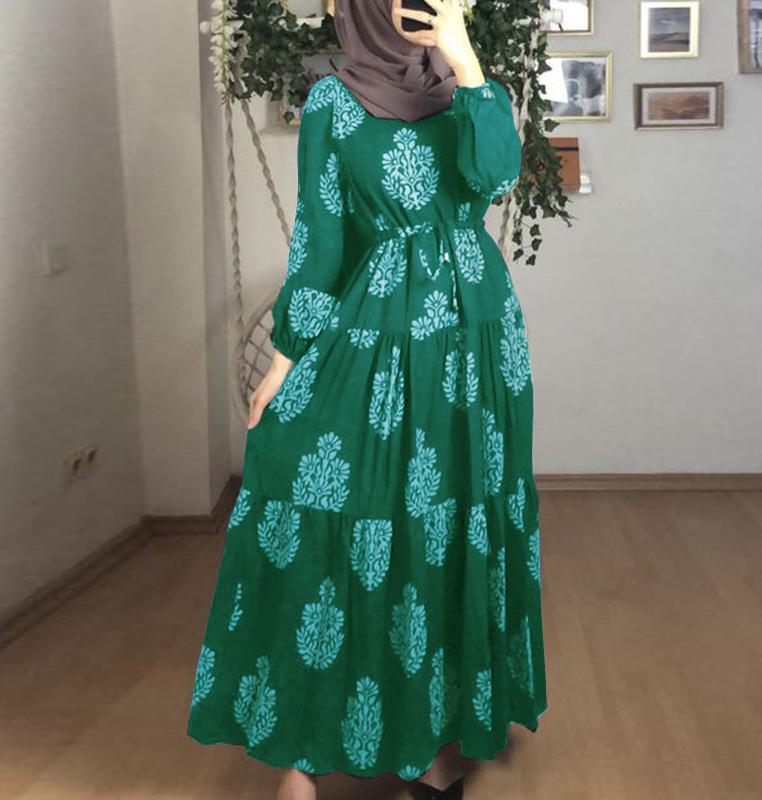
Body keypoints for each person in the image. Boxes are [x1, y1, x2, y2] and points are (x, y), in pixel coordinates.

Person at [186, 1, 547, 798]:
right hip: (378, 332)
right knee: (343, 515)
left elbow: (496, 176)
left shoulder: (472, 88)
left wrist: (463, 53)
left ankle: (433, 738)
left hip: (478, 342)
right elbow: (321, 242)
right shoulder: (334, 102)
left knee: (451, 524)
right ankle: (302, 752)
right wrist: (285, 359)